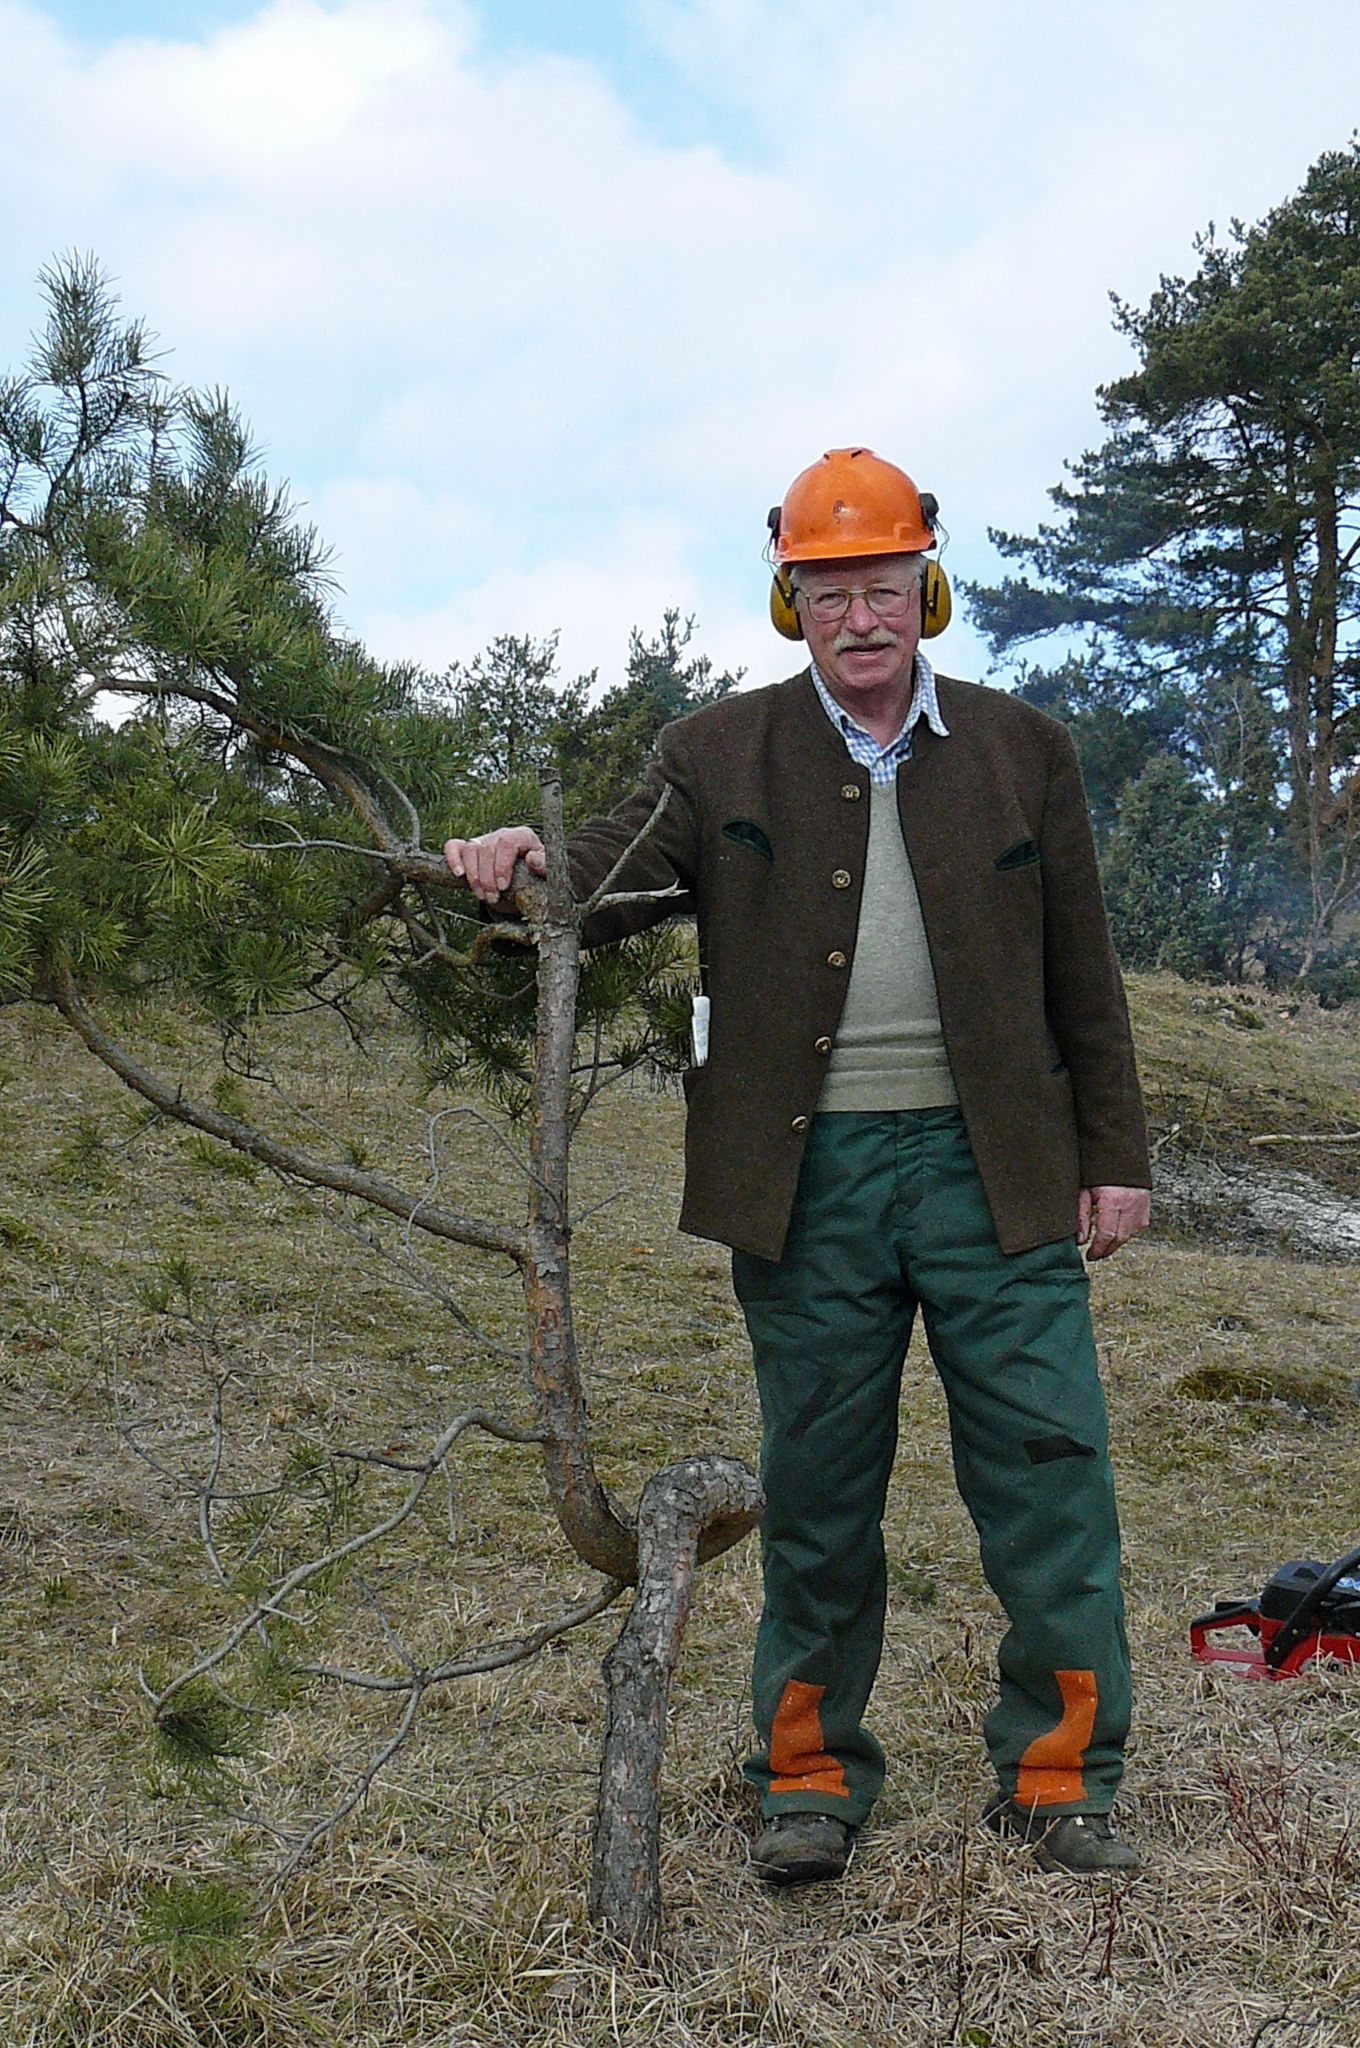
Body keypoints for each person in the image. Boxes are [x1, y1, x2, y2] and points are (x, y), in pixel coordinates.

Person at [445, 447, 1152, 1886]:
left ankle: (1061, 1778)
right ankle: (809, 1784)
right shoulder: (718, 754)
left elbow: (1087, 973)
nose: (862, 618)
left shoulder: (1027, 751)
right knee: (821, 1495)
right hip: (806, 1185)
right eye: (829, 594)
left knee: (1050, 1479)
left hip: (997, 1171)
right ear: (792, 605)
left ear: (926, 587)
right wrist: (519, 860)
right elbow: (598, 884)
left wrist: (1115, 1157)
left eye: (884, 585)